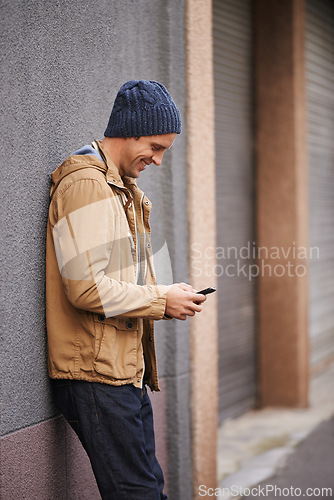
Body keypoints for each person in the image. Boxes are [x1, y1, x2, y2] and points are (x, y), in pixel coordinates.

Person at [45, 79, 206, 500]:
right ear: (130, 129)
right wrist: (160, 300)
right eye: (155, 147)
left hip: (121, 371)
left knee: (148, 488)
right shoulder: (88, 185)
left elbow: (118, 277)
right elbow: (85, 288)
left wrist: (168, 291)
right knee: (138, 493)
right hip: (96, 374)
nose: (157, 159)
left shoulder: (121, 189)